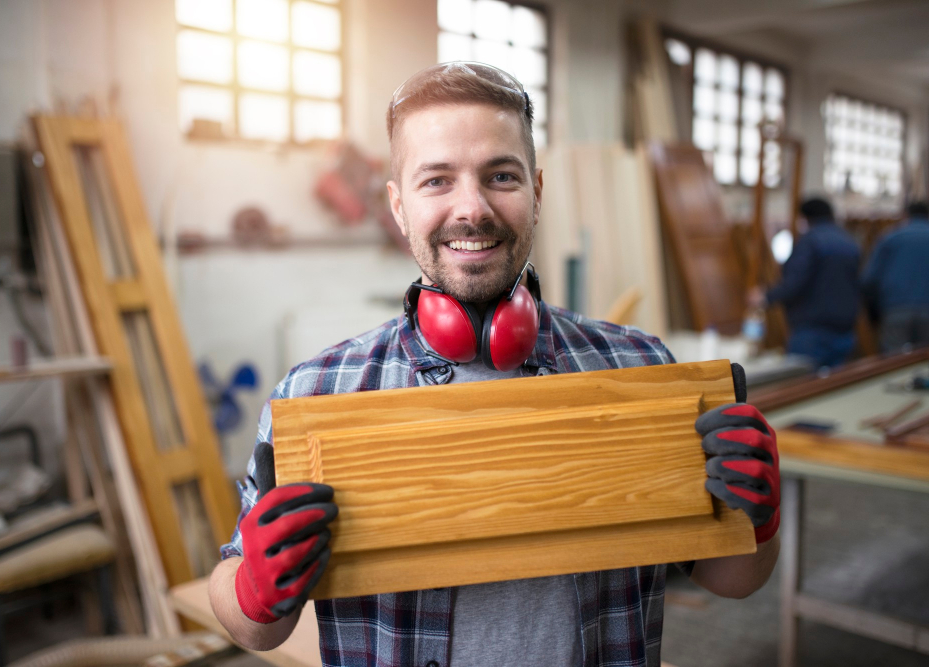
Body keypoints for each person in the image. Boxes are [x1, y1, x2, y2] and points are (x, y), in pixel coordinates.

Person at [209, 63, 781, 667]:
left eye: (500, 175)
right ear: (399, 207)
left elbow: (733, 577)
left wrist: (758, 519)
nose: (472, 208)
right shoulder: (317, 396)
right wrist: (252, 590)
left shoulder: (641, 375)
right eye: (437, 181)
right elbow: (252, 628)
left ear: (537, 190)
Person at [750, 197, 861, 368]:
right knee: (834, 385)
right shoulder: (849, 242)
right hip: (844, 330)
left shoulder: (811, 242)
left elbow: (795, 282)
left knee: (803, 386)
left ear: (805, 218)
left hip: (812, 331)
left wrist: (766, 297)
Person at [861, 201, 929, 352]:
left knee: (895, 364)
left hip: (896, 309)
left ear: (905, 216)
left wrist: (873, 313)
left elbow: (870, 279)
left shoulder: (890, 238)